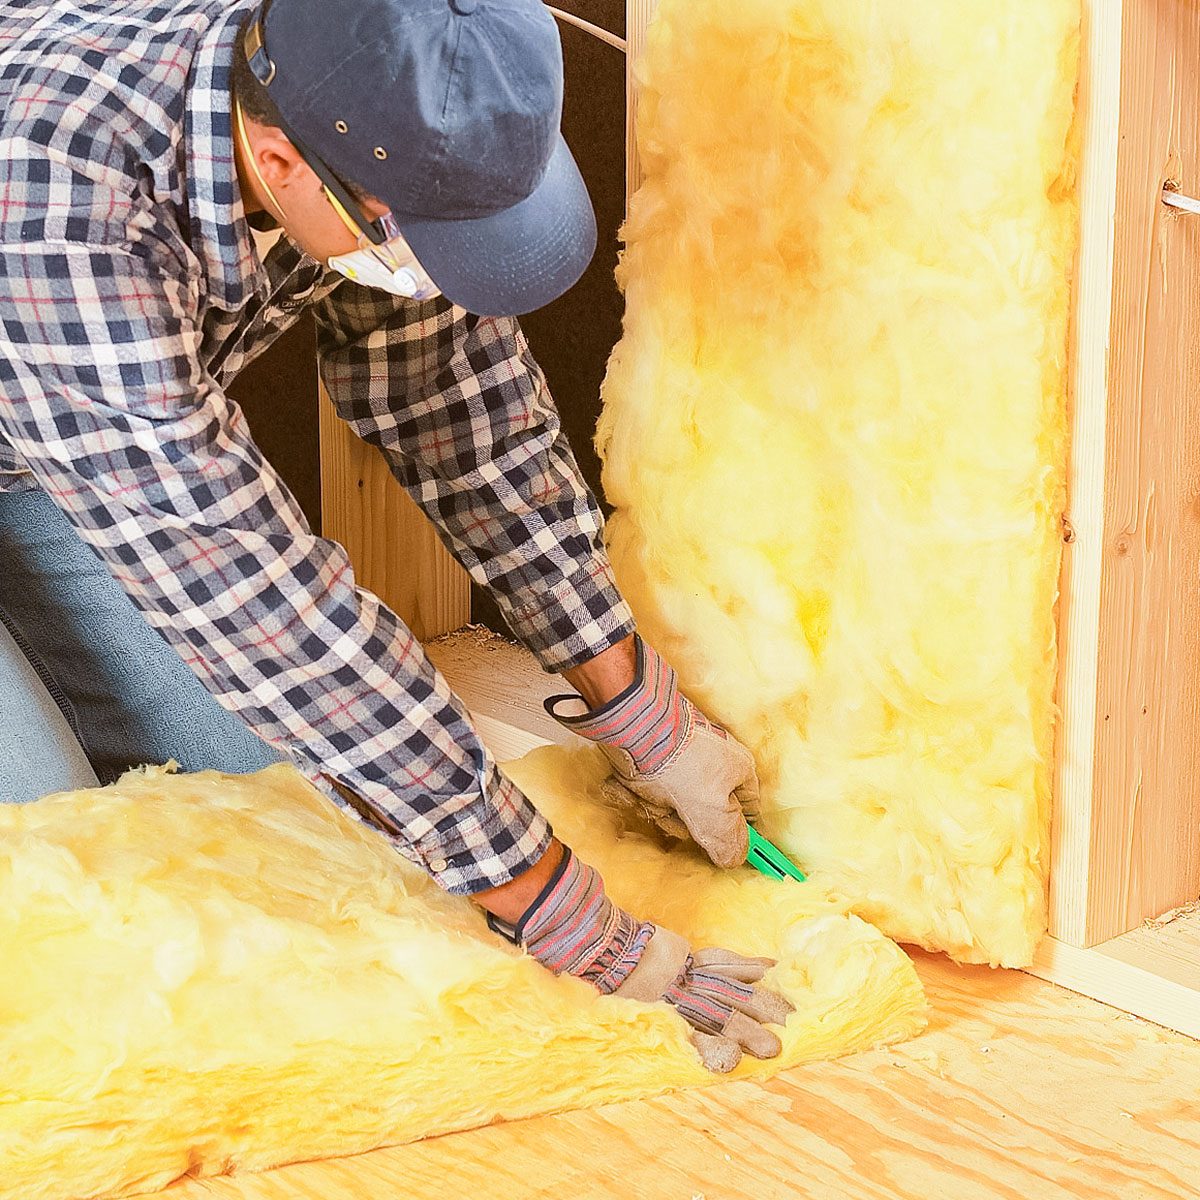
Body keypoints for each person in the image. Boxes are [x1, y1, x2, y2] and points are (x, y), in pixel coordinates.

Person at [0, 0, 790, 1071]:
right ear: (280, 162)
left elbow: (457, 408)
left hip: (47, 453)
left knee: (280, 792)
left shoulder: (357, 91)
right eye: (418, 236)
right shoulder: (59, 212)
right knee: (44, 859)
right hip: (71, 413)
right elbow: (259, 607)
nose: (429, 266)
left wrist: (644, 715)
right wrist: (561, 915)